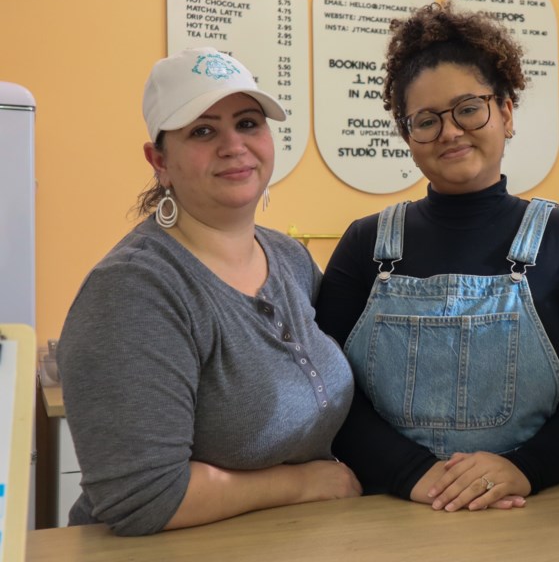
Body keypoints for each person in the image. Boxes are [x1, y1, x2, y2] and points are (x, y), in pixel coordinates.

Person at [322, 3, 559, 513]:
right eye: (426, 120)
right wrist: (412, 472)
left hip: (532, 511)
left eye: (469, 108)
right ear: (408, 136)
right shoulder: (365, 245)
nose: (449, 131)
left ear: (506, 112)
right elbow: (328, 392)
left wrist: (525, 468)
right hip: (391, 511)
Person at [57, 47, 360, 536]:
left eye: (247, 123)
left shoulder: (290, 258)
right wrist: (302, 484)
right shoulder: (135, 290)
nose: (233, 145)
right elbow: (142, 498)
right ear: (160, 160)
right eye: (202, 131)